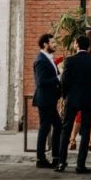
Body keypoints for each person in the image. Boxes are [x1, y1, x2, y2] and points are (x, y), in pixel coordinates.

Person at [55, 35, 91, 174]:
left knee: (66, 129)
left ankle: (61, 163)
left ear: (76, 44)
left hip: (72, 99)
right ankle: (80, 165)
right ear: (88, 47)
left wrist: (65, 96)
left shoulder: (69, 61)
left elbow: (64, 81)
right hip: (88, 99)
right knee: (86, 131)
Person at [33, 33, 61, 168]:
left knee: (56, 126)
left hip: (50, 99)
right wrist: (58, 79)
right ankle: (41, 159)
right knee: (45, 128)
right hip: (45, 100)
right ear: (45, 44)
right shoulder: (41, 60)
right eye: (53, 42)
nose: (55, 45)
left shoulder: (48, 58)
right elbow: (41, 82)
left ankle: (54, 156)